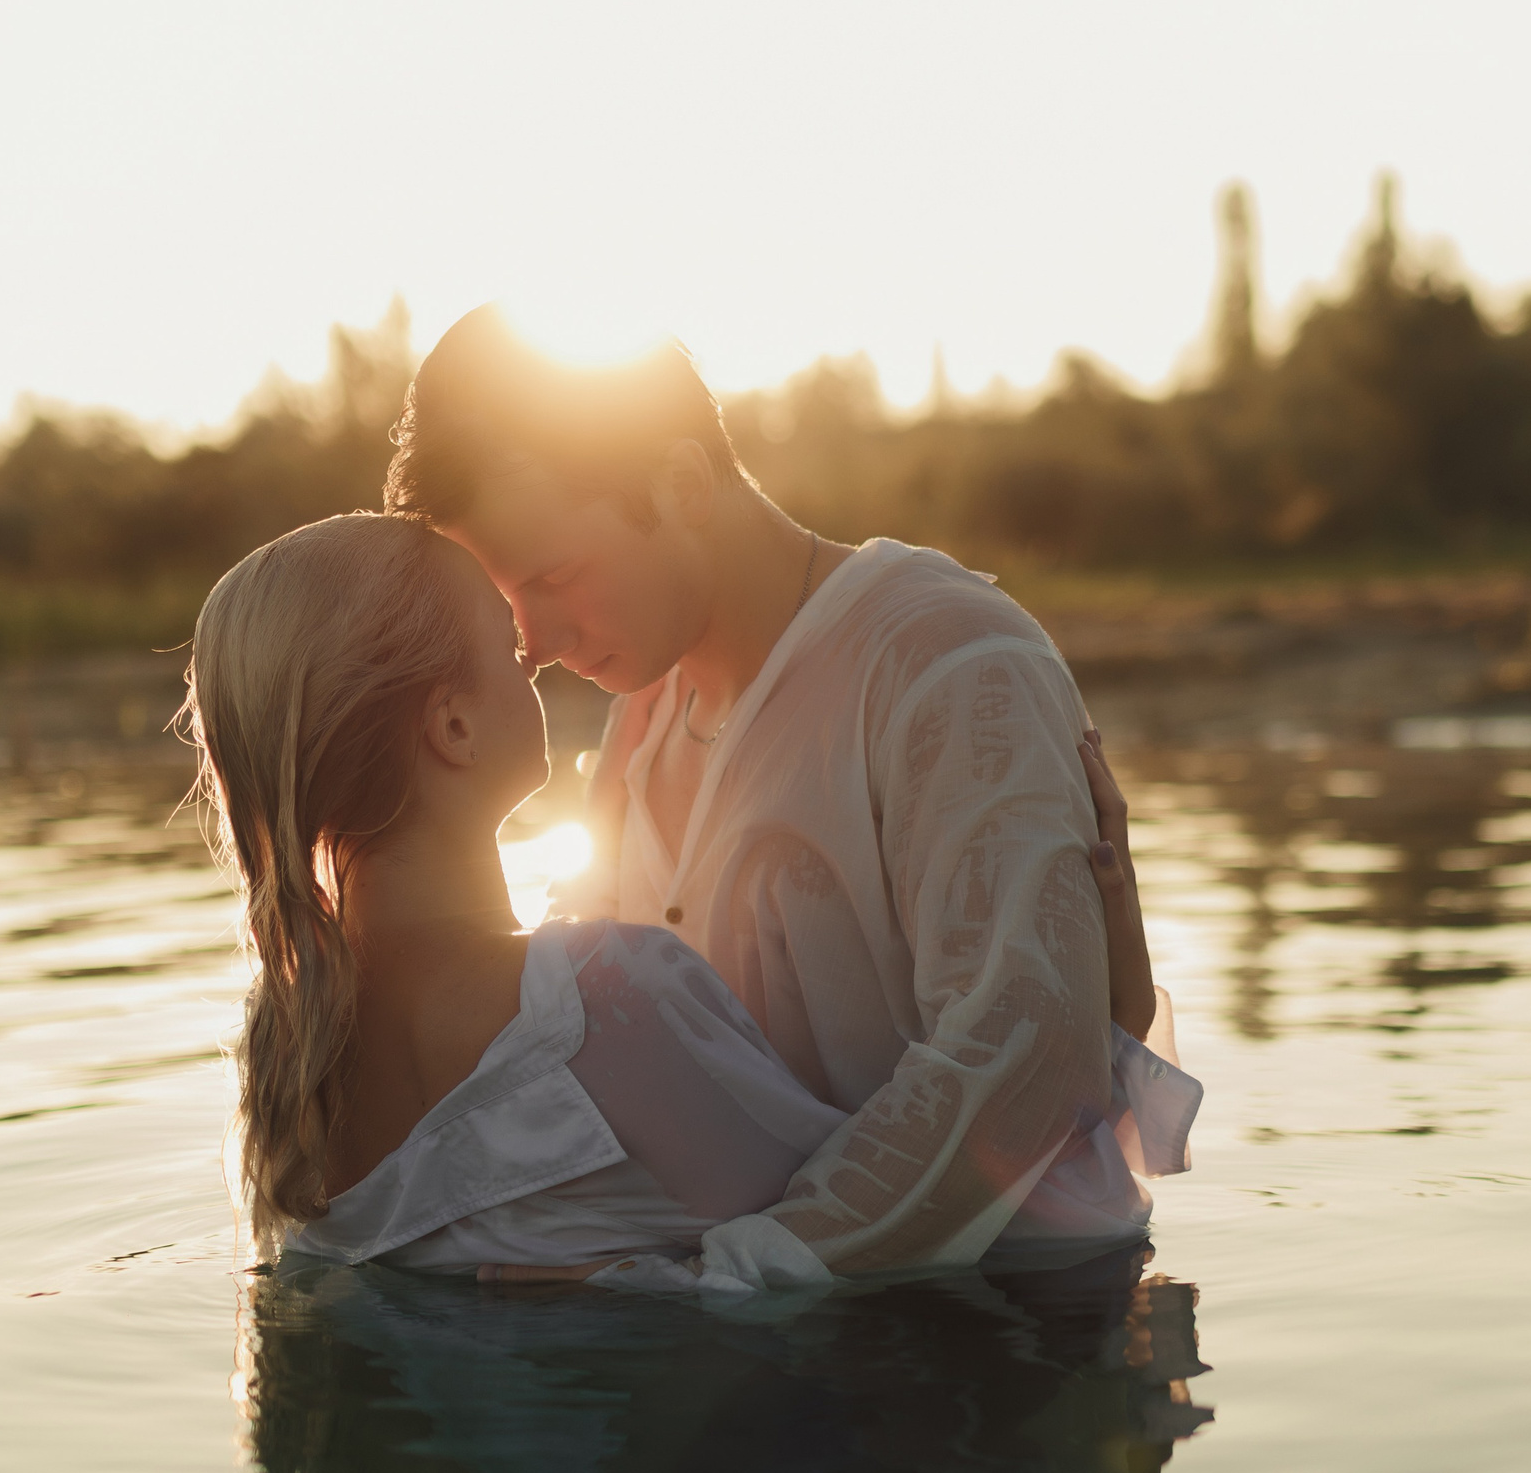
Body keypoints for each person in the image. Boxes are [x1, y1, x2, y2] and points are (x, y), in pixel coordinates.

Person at [381, 306, 1199, 1290]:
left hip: (1014, 1331)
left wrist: (728, 1279)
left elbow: (1022, 1053)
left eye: (553, 579)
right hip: (778, 1349)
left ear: (681, 485)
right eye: (507, 604)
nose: (536, 643)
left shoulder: (949, 667)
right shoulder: (641, 716)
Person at [182, 511, 1188, 1285]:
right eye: (510, 647)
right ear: (451, 727)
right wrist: (1101, 992)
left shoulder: (286, 1059)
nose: (544, 653)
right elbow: (924, 1209)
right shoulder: (604, 1000)